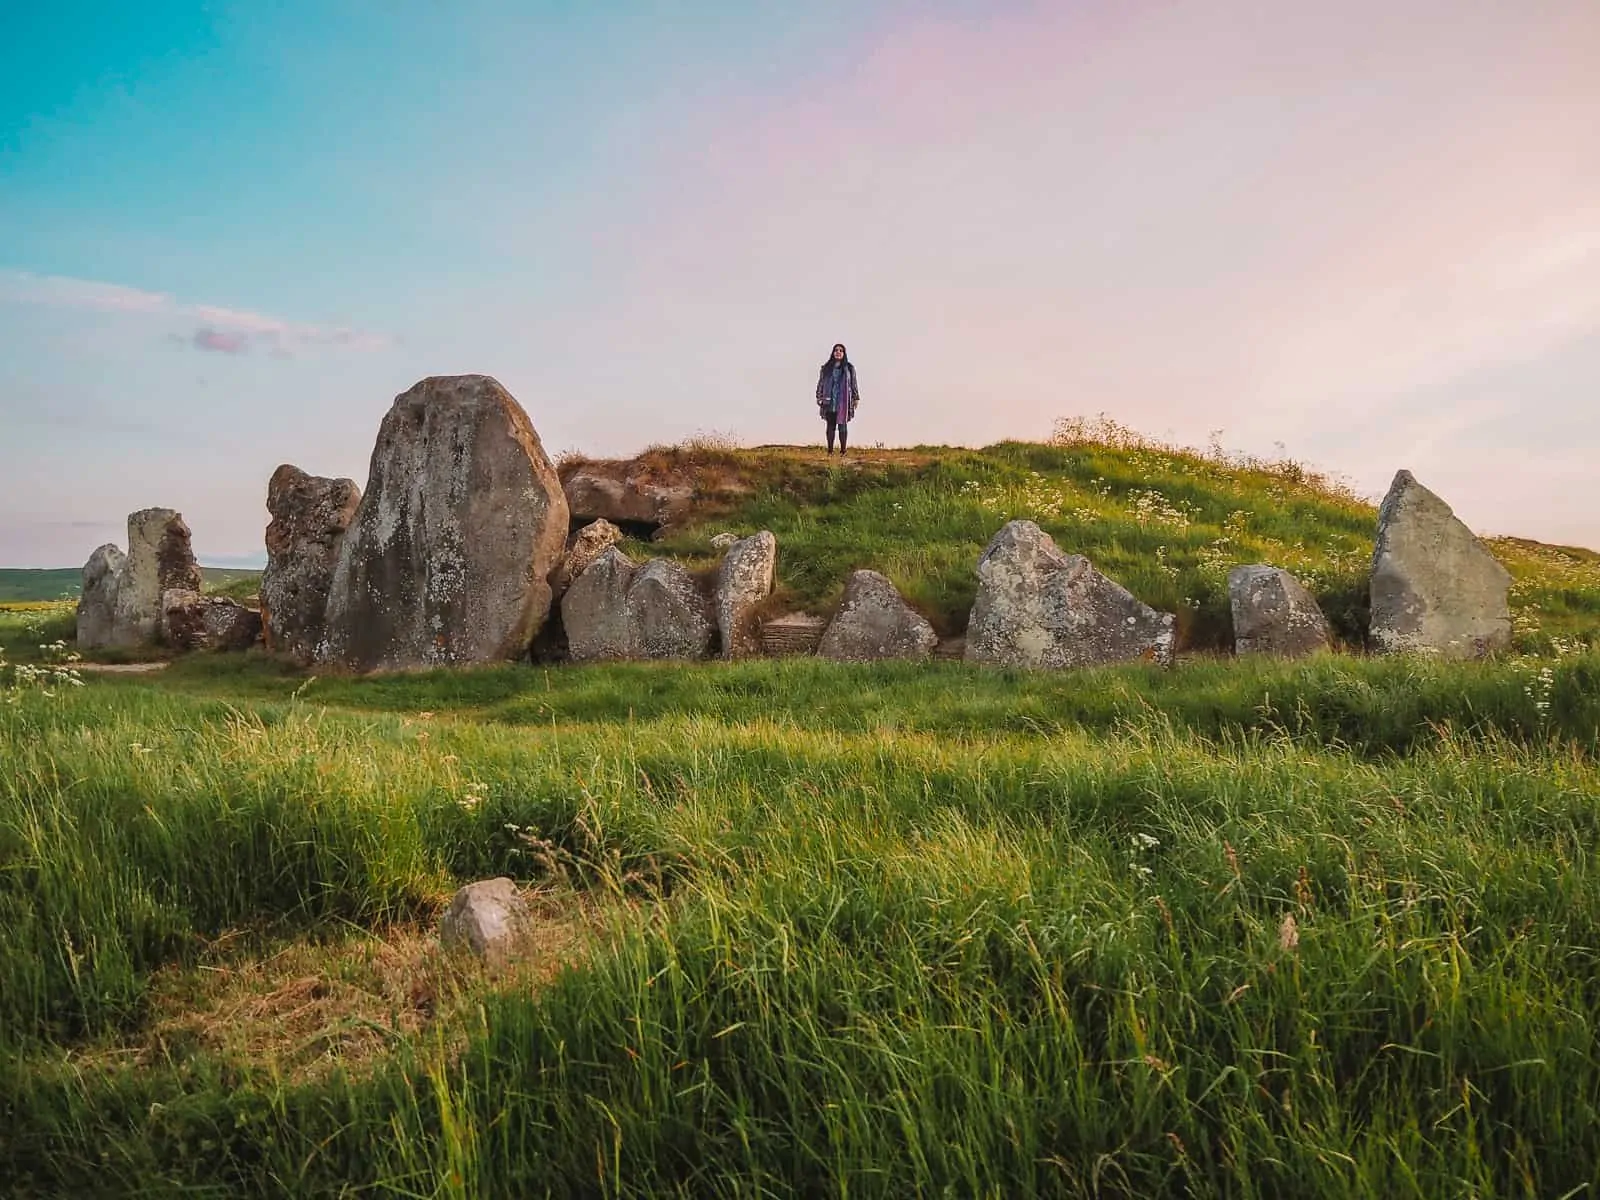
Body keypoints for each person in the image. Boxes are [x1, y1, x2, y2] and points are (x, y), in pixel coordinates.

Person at [814, 343, 860, 454]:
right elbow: (821, 383)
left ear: (844, 353)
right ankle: (830, 451)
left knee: (843, 426)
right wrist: (819, 395)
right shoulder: (826, 368)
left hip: (843, 402)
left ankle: (843, 451)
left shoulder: (849, 368)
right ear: (833, 353)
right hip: (829, 400)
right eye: (836, 350)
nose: (838, 352)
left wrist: (856, 397)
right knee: (830, 426)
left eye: (841, 350)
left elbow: (854, 383)